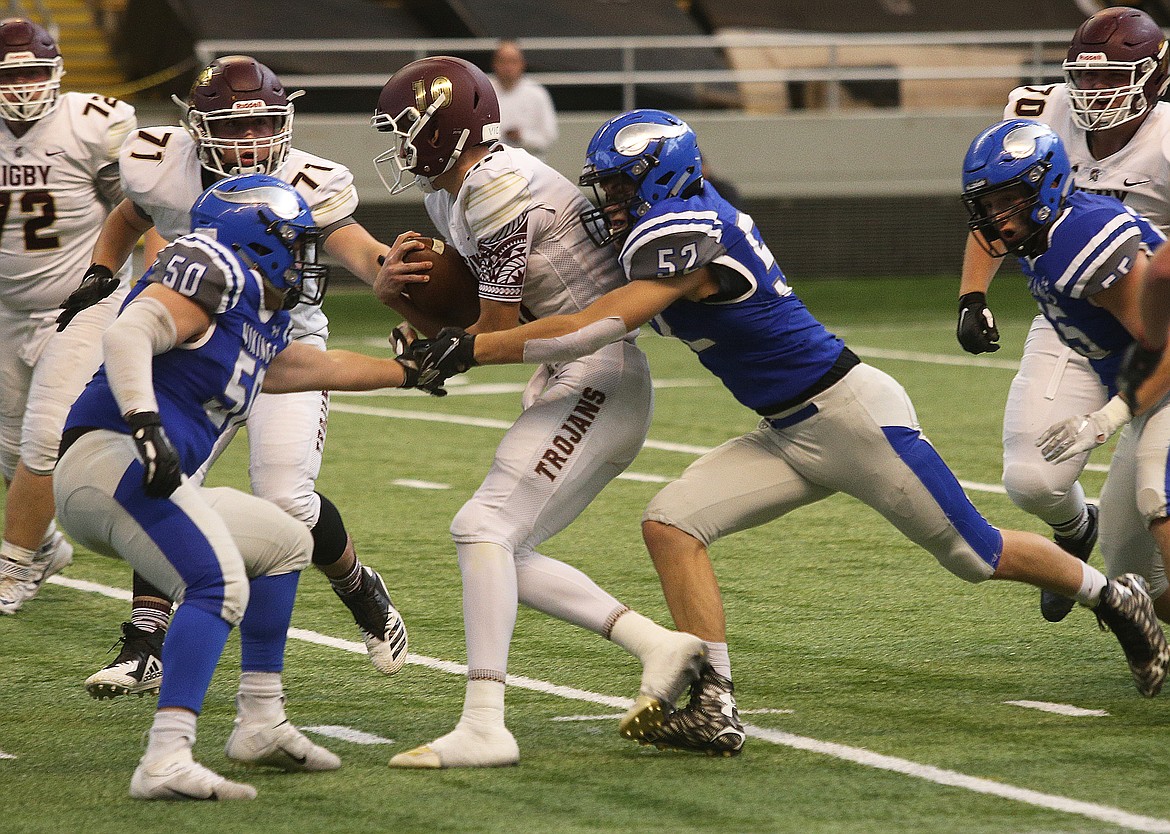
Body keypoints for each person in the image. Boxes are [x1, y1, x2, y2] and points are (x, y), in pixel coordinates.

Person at [404, 108, 1170, 757]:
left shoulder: (685, 231)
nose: (604, 202)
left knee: (976, 553)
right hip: (787, 426)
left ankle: (1114, 597)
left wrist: (474, 345)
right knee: (671, 521)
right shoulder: (666, 218)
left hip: (850, 415)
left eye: (615, 188)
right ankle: (715, 703)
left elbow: (590, 325)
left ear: (660, 180)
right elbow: (559, 275)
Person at [370, 56, 704, 768]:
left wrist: (437, 345)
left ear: (446, 129)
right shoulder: (453, 194)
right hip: (575, 374)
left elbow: (490, 331)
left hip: (597, 374)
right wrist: (405, 305)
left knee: (482, 526)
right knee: (501, 546)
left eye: (408, 130)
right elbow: (493, 322)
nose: (401, 148)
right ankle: (660, 645)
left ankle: (486, 723)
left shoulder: (495, 186)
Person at [54, 174, 428, 800]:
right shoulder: (214, 264)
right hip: (110, 459)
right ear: (257, 241)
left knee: (284, 543)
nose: (307, 261)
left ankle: (260, 721)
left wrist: (405, 371)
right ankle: (165, 758)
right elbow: (128, 333)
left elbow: (301, 368)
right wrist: (146, 425)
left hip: (128, 472)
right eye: (296, 244)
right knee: (217, 581)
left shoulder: (252, 314)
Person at [61, 55, 408, 698]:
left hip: (281, 341)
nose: (251, 143)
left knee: (286, 502)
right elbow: (132, 216)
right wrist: (105, 270)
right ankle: (144, 642)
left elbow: (361, 251)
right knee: (166, 476)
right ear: (196, 126)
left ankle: (359, 586)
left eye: (263, 127)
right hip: (194, 330)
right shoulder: (163, 164)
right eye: (235, 128)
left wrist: (399, 285)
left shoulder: (307, 179)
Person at [954, 5, 1170, 623]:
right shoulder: (1041, 115)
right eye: (1087, 79)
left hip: (1153, 320)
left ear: (1153, 78)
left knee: (1156, 496)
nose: (1096, 94)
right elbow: (997, 205)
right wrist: (973, 295)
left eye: (1114, 79)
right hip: (1070, 314)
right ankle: (1078, 528)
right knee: (1032, 480)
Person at [0, 18, 136, 615]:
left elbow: (139, 210)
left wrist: (144, 297)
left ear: (56, 72)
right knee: (8, 450)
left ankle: (9, 570)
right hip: (9, 309)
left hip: (83, 300)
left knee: (45, 434)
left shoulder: (92, 125)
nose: (23, 86)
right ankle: (45, 545)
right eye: (12, 74)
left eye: (33, 71)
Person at [489, 40, 558, 158]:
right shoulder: (484, 90)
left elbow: (549, 137)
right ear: (494, 64)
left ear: (522, 64)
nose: (507, 67)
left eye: (512, 61)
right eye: (503, 61)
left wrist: (522, 137)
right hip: (492, 164)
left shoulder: (537, 93)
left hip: (530, 164)